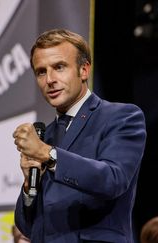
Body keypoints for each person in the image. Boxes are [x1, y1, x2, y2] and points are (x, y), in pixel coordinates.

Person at [12, 28, 146, 242]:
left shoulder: (122, 116)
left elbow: (113, 179)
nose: (50, 79)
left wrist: (48, 154)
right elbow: (28, 228)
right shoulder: (46, 136)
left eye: (59, 67)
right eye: (41, 71)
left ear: (84, 70)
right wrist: (29, 186)